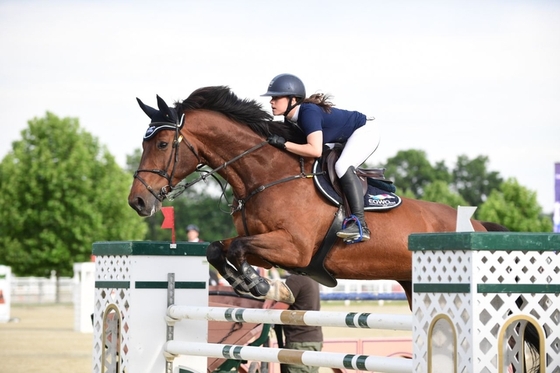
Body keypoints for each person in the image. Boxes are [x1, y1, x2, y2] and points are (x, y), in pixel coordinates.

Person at [261, 73, 380, 243]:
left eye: (276, 98)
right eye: (272, 98)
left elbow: (314, 150)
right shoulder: (290, 120)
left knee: (342, 165)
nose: (271, 102)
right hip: (339, 137)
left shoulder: (308, 112)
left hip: (365, 131)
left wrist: (284, 144)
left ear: (293, 100)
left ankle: (360, 224)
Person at [264, 274, 323, 373]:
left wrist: (266, 305)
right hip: (314, 339)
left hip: (299, 340)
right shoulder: (312, 277)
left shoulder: (295, 279)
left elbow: (276, 311)